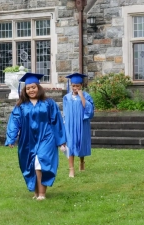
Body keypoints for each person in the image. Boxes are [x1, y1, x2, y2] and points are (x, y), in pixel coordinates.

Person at [5, 72, 66, 201]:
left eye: (33, 87)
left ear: (38, 87)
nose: (31, 90)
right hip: (28, 139)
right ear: (25, 90)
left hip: (46, 137)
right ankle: (37, 192)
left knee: (41, 162)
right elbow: (14, 122)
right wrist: (11, 138)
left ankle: (42, 194)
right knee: (31, 165)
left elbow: (56, 121)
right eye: (28, 88)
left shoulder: (48, 103)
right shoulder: (21, 106)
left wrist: (61, 140)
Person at [63, 73, 94, 178]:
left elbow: (88, 109)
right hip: (70, 124)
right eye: (73, 86)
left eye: (77, 86)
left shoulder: (86, 96)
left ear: (81, 86)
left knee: (81, 143)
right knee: (70, 145)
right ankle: (71, 169)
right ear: (71, 85)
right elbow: (65, 111)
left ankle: (82, 162)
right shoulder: (67, 97)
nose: (75, 88)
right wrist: (65, 122)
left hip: (82, 123)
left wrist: (81, 96)